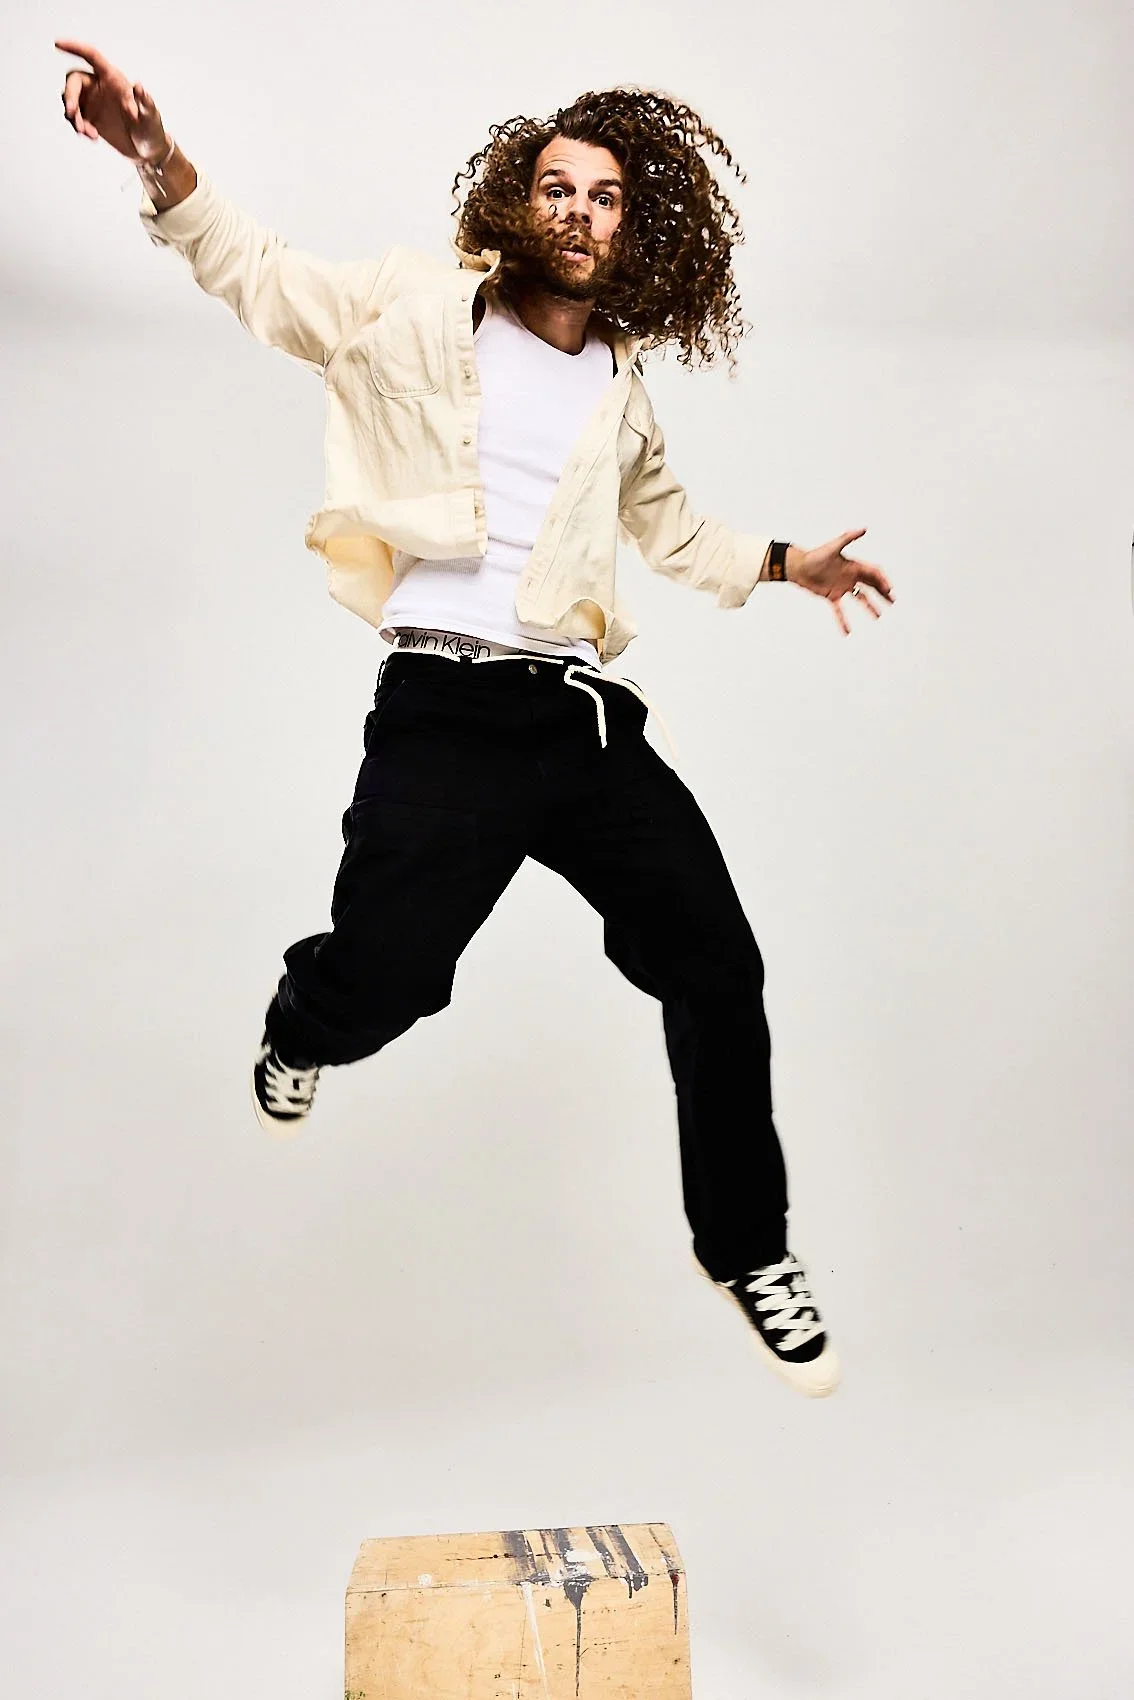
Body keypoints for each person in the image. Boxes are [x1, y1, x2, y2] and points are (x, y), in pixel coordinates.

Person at [57, 39, 895, 1399]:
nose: (575, 210)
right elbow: (260, 277)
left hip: (577, 721)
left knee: (714, 964)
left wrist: (787, 559)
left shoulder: (617, 385)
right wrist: (156, 158)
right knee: (392, 981)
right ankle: (302, 1026)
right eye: (554, 186)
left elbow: (670, 531)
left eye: (604, 196)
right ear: (517, 199)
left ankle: (747, 1247)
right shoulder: (411, 308)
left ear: (641, 228)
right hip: (442, 711)